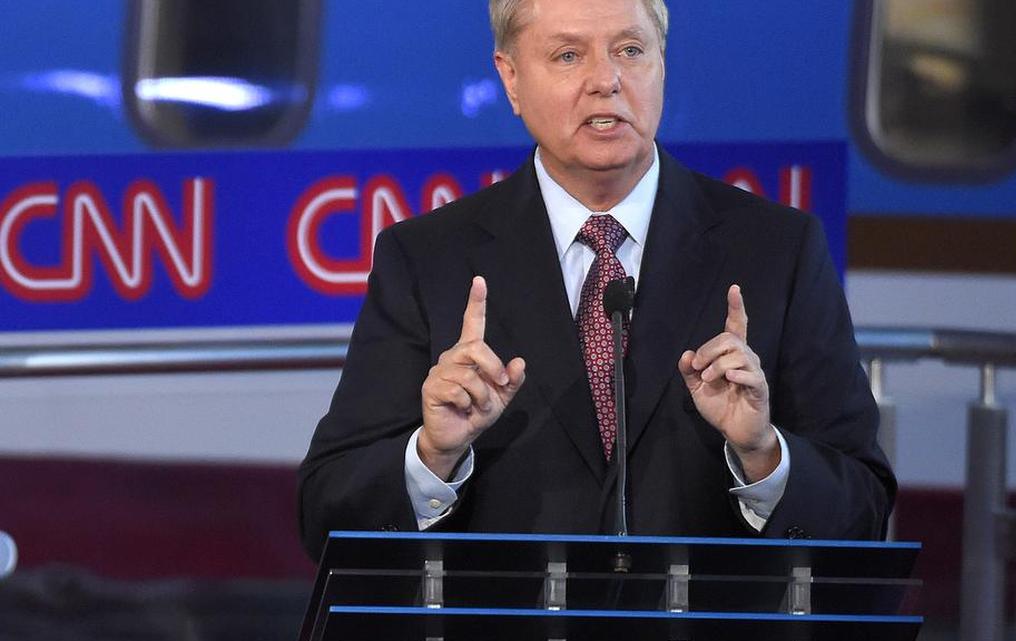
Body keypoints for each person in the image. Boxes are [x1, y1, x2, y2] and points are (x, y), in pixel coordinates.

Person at [297, 0, 894, 561]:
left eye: (631, 50)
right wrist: (433, 456)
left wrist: (763, 455)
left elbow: (864, 505)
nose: (606, 79)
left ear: (662, 64)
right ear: (510, 80)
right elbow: (325, 511)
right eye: (568, 55)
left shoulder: (777, 251)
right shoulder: (426, 259)